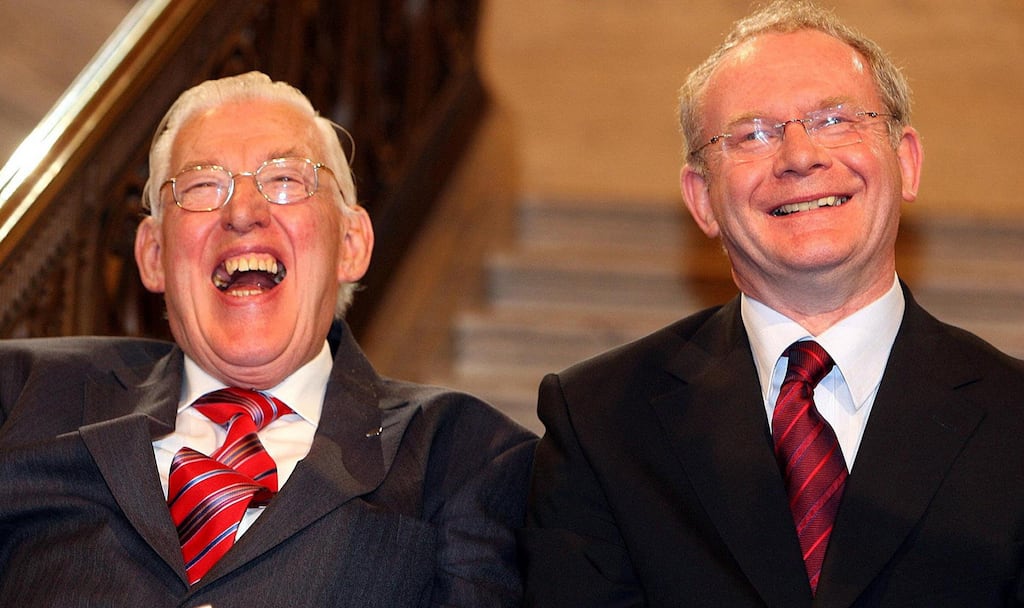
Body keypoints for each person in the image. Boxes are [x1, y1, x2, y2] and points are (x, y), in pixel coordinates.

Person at [519, 2, 1024, 606]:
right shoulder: (597, 421)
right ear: (702, 199)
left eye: (836, 120)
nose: (800, 155)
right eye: (752, 134)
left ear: (906, 162)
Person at [0, 71, 535, 606]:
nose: (242, 213)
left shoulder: (466, 455)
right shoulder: (24, 396)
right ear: (153, 255)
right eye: (202, 185)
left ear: (351, 243)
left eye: (285, 179)